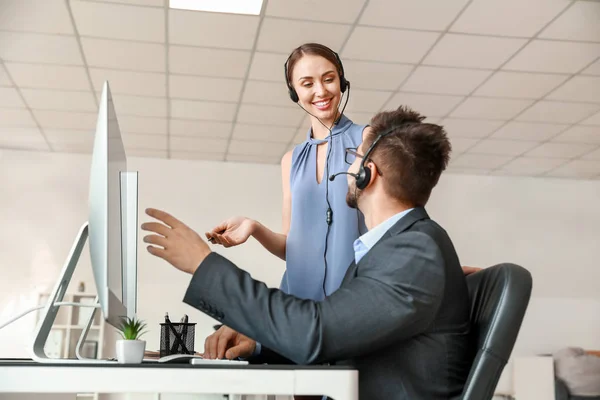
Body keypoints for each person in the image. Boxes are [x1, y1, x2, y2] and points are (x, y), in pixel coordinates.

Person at [142, 106, 474, 400]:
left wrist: (203, 263)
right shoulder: (392, 248)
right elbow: (334, 333)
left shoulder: (413, 251)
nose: (351, 164)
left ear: (366, 173)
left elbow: (313, 333)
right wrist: (256, 340)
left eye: (355, 156)